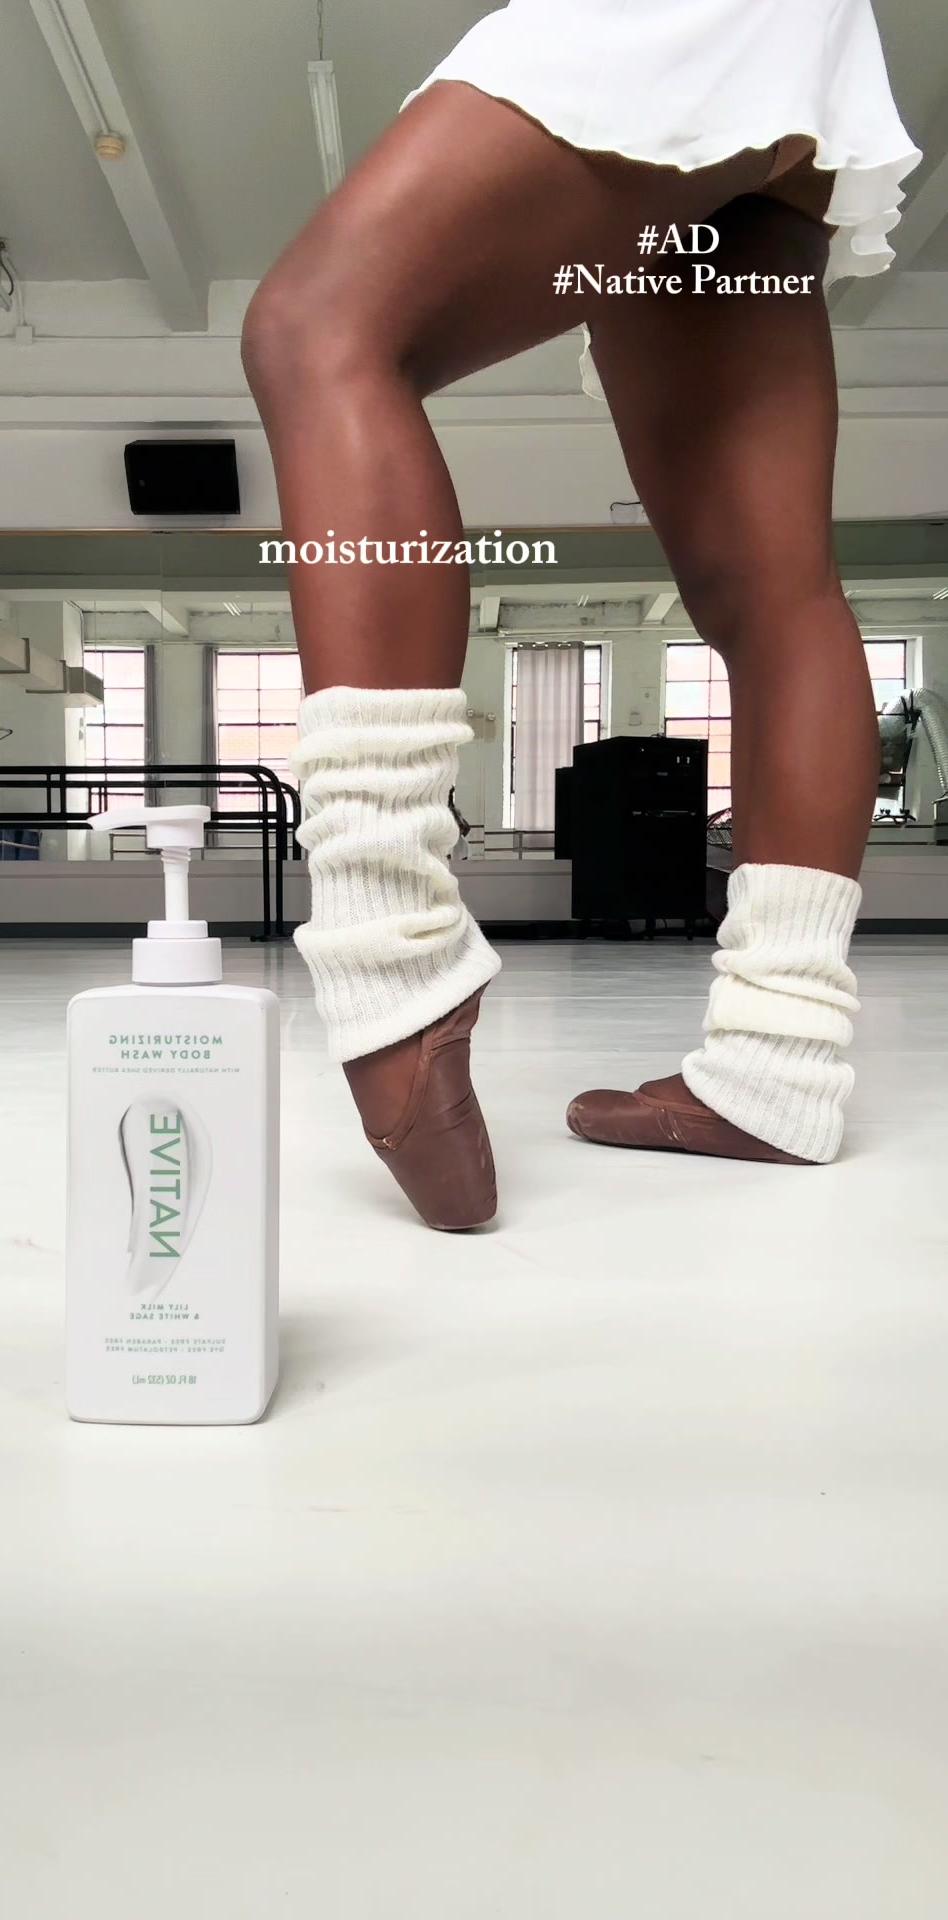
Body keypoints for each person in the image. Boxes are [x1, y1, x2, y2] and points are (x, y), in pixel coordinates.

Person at [242, 0, 921, 1231]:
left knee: (320, 327)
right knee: (771, 587)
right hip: (794, 53)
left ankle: (392, 961)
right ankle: (778, 1062)